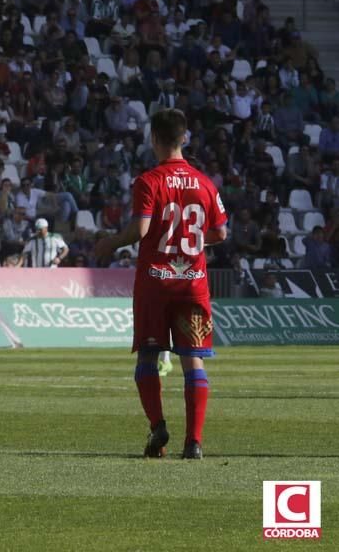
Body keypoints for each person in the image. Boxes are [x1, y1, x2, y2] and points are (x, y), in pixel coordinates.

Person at [95, 109, 228, 460]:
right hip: (193, 283)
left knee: (149, 358)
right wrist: (192, 237)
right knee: (193, 362)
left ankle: (158, 427)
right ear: (183, 138)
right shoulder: (205, 183)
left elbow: (140, 230)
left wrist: (109, 242)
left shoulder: (148, 181)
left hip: (155, 283)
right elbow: (220, 232)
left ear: (154, 138)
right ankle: (194, 442)